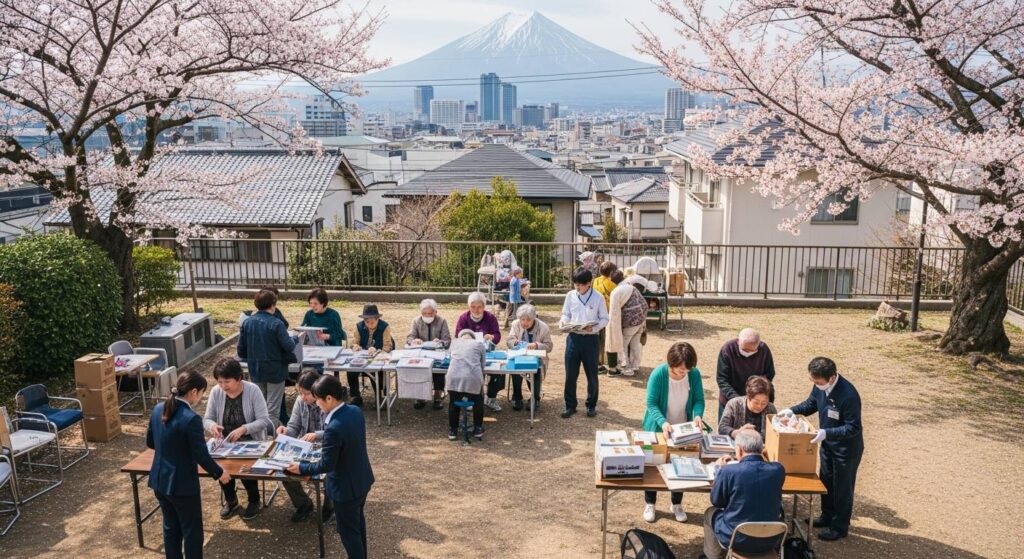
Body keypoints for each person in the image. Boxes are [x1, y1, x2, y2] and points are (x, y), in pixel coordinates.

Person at [286, 376, 375, 559]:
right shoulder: (354, 411)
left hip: (345, 488)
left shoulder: (334, 427)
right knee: (358, 526)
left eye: (317, 399)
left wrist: (302, 468)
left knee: (349, 534)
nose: (317, 403)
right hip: (361, 480)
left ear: (329, 398)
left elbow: (327, 464)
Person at [146, 371, 230, 559]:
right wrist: (219, 473)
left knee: (171, 528)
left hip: (160, 479)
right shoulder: (191, 418)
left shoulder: (159, 408)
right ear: (193, 392)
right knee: (192, 532)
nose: (201, 398)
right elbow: (200, 455)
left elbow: (151, 442)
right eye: (201, 393)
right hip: (182, 485)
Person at [780, 357, 863, 541]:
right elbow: (811, 403)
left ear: (832, 378)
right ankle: (826, 516)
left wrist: (827, 432)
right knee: (826, 481)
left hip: (845, 450)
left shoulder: (848, 395)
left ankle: (840, 527)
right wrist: (792, 410)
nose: (815, 385)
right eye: (813, 381)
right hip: (827, 444)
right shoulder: (820, 386)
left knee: (842, 488)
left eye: (818, 382)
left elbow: (853, 427)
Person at [641, 342, 706, 522]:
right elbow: (651, 403)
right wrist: (663, 422)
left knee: (681, 464)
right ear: (670, 364)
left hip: (682, 428)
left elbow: (699, 400)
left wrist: (698, 415)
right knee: (653, 463)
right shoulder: (658, 374)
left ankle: (676, 503)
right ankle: (650, 503)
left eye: (685, 371)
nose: (682, 373)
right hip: (658, 427)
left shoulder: (694, 375)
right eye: (678, 370)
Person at [203, 358, 274, 520]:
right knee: (221, 467)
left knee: (244, 468)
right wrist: (213, 426)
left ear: (239, 378)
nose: (223, 386)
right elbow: (207, 419)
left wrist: (244, 429)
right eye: (220, 382)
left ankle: (254, 500)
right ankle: (231, 500)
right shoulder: (216, 392)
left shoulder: (253, 390)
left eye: (227, 381)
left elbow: (264, 420)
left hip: (251, 440)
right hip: (225, 441)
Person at [701, 430, 786, 559]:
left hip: (737, 539)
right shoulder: (778, 470)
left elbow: (717, 502)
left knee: (709, 513)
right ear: (761, 449)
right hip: (771, 538)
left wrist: (719, 470)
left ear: (739, 451)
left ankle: (711, 556)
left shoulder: (728, 471)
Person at [277, 369, 333, 523]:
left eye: (306, 393)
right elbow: (294, 426)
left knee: (330, 472)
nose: (303, 397)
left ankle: (330, 507)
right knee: (284, 469)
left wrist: (317, 434)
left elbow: (335, 430)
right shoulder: (300, 401)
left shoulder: (328, 402)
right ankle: (303, 504)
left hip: (325, 447)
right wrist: (285, 432)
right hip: (304, 447)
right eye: (300, 393)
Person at [238, 288, 297, 428]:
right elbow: (288, 346)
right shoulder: (276, 323)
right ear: (273, 304)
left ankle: (260, 434)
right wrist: (295, 339)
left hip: (255, 370)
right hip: (275, 370)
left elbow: (241, 350)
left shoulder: (247, 322)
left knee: (260, 406)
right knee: (272, 409)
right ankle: (270, 436)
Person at [560, 267, 608, 419]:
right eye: (575, 284)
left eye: (580, 284)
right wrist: (564, 322)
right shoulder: (570, 295)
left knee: (592, 375)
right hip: (573, 337)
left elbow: (604, 319)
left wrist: (594, 327)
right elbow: (565, 314)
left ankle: (591, 405)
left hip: (591, 340)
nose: (577, 287)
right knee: (570, 375)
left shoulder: (598, 297)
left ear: (589, 283)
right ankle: (570, 406)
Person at [455, 292, 503, 411]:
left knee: (499, 372)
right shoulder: (463, 318)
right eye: (473, 306)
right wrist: (465, 337)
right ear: (469, 306)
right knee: (468, 370)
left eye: (479, 307)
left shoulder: (490, 317)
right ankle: (469, 397)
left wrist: (491, 337)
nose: (476, 310)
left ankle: (491, 398)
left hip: (487, 351)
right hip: (468, 353)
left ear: (484, 306)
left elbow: (497, 335)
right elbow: (458, 335)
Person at [716, 328, 776, 419]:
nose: (746, 353)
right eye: (744, 349)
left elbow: (769, 374)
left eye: (750, 351)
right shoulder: (727, 350)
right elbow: (722, 379)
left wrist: (757, 394)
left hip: (755, 402)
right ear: (738, 341)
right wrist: (739, 401)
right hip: (730, 400)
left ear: (758, 346)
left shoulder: (764, 350)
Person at [505, 304, 554, 411]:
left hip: (537, 357)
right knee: (516, 368)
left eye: (528, 320)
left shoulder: (543, 327)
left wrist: (537, 345)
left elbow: (549, 346)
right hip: (519, 355)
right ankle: (517, 397)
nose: (525, 323)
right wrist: (514, 342)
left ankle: (535, 398)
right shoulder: (515, 324)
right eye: (522, 319)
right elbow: (509, 341)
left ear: (534, 319)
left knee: (535, 370)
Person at [406, 298, 451, 411]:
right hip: (420, 353)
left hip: (437, 353)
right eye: (424, 313)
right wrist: (413, 341)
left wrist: (440, 342)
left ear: (435, 312)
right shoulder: (416, 321)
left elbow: (447, 339)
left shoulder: (442, 321)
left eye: (430, 313)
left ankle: (437, 396)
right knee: (419, 371)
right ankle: (420, 397)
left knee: (438, 372)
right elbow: (409, 337)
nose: (427, 316)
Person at [446, 329, 488, 441]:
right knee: (478, 400)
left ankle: (453, 430)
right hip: (472, 378)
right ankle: (478, 428)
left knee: (453, 402)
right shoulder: (479, 344)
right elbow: (483, 365)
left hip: (453, 377)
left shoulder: (454, 343)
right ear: (473, 337)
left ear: (461, 337)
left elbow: (450, 359)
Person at [349, 304, 393, 408]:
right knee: (350, 370)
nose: (369, 325)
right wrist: (355, 346)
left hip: (379, 357)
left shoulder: (385, 327)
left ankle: (379, 396)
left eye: (372, 322)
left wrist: (377, 351)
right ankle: (356, 396)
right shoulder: (359, 326)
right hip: (363, 357)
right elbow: (354, 342)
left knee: (374, 371)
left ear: (378, 319)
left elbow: (388, 346)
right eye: (366, 322)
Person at [607, 273, 650, 377]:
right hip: (641, 320)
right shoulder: (631, 287)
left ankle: (627, 368)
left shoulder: (616, 291)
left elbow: (614, 314)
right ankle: (635, 365)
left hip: (630, 323)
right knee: (636, 344)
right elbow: (644, 303)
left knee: (623, 345)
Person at [718, 376, 776, 440]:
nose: (759, 406)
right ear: (748, 397)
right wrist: (736, 433)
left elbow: (776, 430)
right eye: (756, 402)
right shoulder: (734, 404)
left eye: (764, 403)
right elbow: (722, 427)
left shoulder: (770, 408)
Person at [593, 261, 619, 375]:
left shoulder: (596, 281)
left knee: (598, 340)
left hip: (596, 313)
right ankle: (610, 363)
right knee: (608, 340)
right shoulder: (612, 284)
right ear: (612, 272)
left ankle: (598, 363)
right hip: (608, 314)